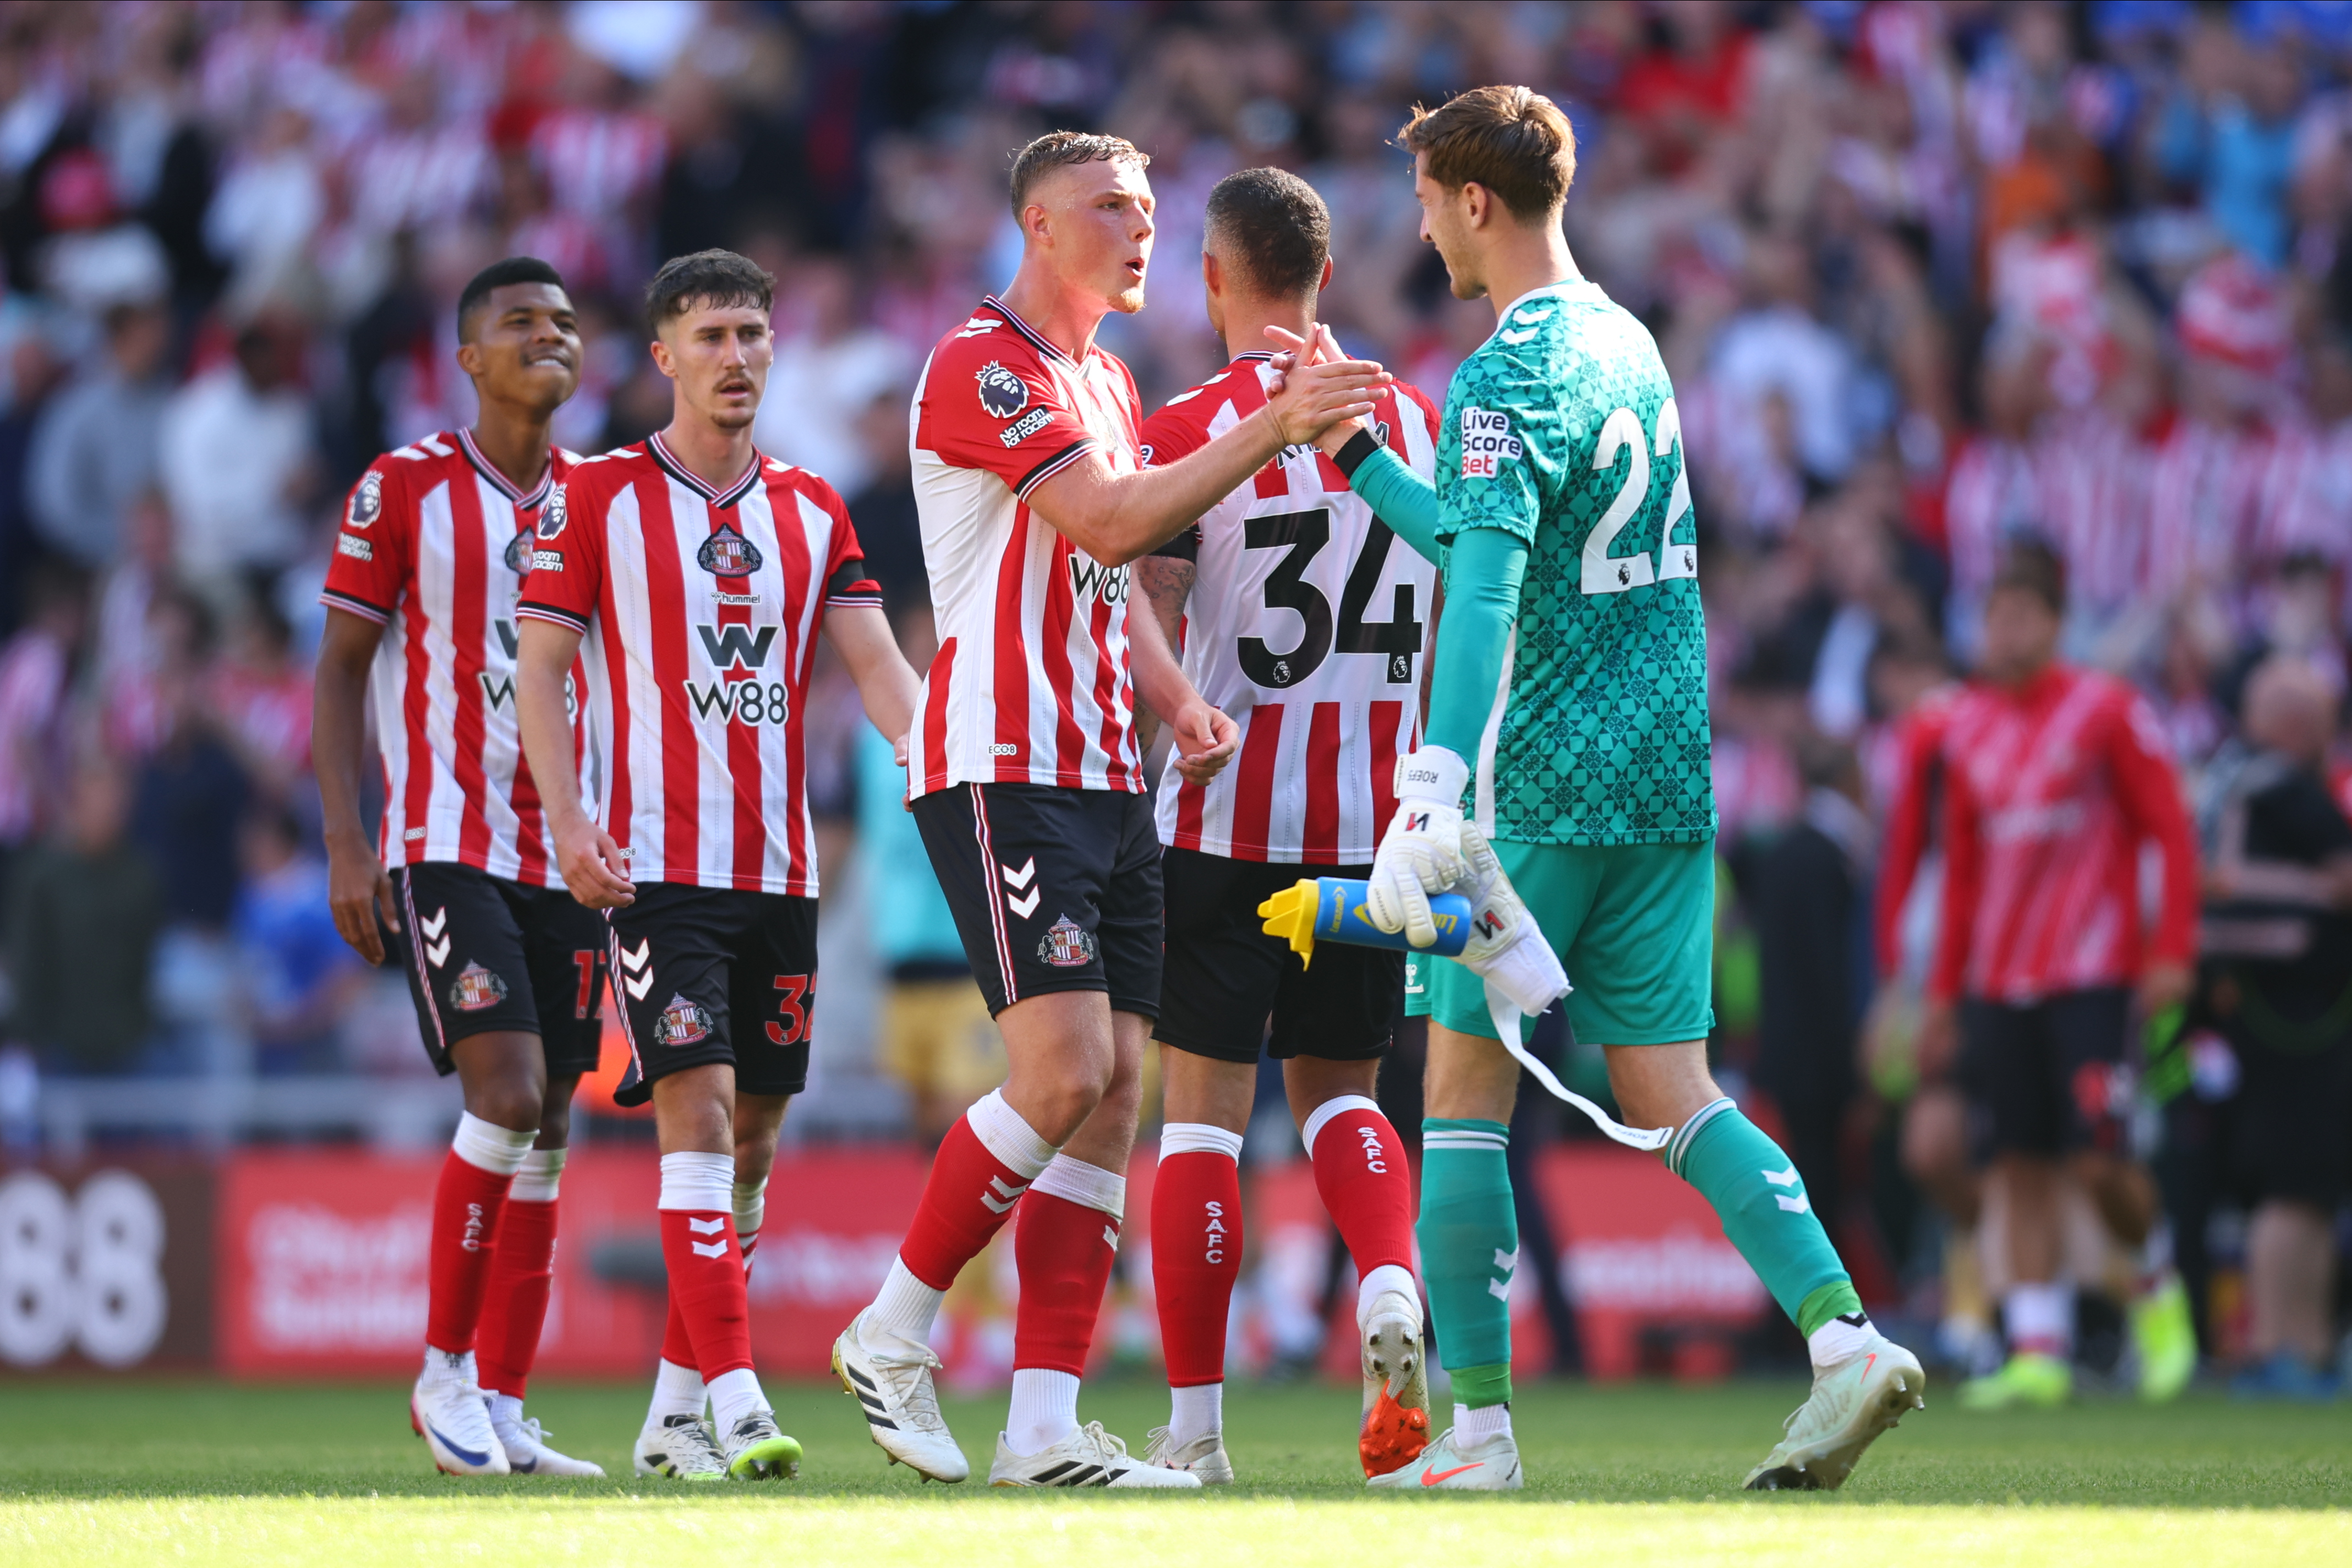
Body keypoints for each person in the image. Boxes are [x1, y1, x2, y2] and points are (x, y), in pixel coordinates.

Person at [1317, 85, 1922, 1492]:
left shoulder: (1504, 370)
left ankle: (1476, 1435)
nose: (1421, 229)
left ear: (1474, 202)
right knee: (1674, 1091)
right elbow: (1494, 533)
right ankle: (1844, 1340)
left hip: (1532, 788)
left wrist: (1433, 784)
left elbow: (1482, 596)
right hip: (1665, 776)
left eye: (1425, 202)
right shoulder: (1624, 340)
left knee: (1462, 1095)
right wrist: (1355, 460)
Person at [827, 129, 1389, 1490]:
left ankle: (1040, 1425)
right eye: (1107, 209)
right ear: (1034, 223)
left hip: (1106, 772)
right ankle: (891, 1330)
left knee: (1114, 1098)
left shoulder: (1109, 379)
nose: (1140, 231)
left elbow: (1106, 584)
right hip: (1000, 765)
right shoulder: (983, 365)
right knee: (1066, 1070)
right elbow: (1110, 523)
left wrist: (1172, 699)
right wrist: (1272, 423)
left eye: (1148, 210)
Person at [512, 248, 922, 1484]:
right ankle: (743, 1397)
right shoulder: (594, 499)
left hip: (780, 870)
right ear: (663, 358)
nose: (737, 358)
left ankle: (671, 1409)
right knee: (690, 1108)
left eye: (752, 334)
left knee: (750, 1141)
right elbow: (538, 670)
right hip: (652, 867)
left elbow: (883, 678)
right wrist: (567, 819)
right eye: (711, 338)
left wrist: (967, 765)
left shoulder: (813, 507)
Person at [1122, 166, 1441, 1484]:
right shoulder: (1413, 427)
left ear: (1213, 278)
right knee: (1343, 1099)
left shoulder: (1198, 425)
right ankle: (1385, 1288)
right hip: (1369, 833)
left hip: (1221, 819)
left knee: (1198, 1123)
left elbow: (1137, 588)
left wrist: (1177, 702)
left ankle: (1196, 1435)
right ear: (1325, 279)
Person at [313, 257, 607, 1478]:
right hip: (448, 839)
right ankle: (443, 1374)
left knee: (548, 1128)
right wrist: (347, 837)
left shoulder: (604, 499)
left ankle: (504, 1400)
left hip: (575, 854)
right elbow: (337, 670)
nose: (550, 335)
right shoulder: (406, 488)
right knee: (503, 1094)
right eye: (519, 322)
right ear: (469, 359)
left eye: (566, 321)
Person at [1921, 542, 2200, 1411]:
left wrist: (2172, 951)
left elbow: (2170, 831)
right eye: (1992, 613)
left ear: (2053, 621)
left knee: (2099, 1159)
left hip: (2092, 970)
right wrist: (1941, 992)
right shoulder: (1964, 725)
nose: (2002, 630)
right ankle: (2038, 1347)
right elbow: (1959, 870)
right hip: (1999, 980)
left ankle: (2157, 1291)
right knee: (2018, 1163)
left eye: (2019, 613)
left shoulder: (2107, 710)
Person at [2196, 657, 2352, 1400]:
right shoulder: (2283, 788)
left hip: (2265, 1013)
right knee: (2293, 1188)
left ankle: (2311, 1346)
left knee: (2312, 1189)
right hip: (2299, 1021)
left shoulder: (2229, 787)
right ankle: (2275, 1347)